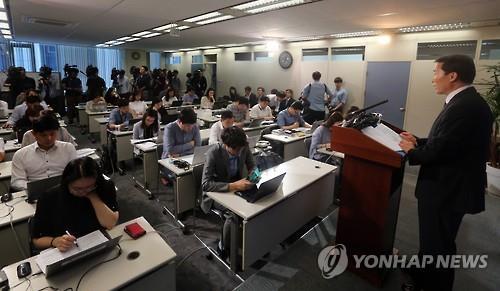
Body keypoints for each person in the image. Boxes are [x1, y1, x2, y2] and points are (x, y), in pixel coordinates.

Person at [398, 55, 493, 291]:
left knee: (438, 245)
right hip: (449, 186)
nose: (433, 79)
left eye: (435, 73)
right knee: (433, 240)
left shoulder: (464, 106)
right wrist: (419, 141)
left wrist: (412, 151)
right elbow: (450, 141)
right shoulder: (465, 101)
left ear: (452, 76)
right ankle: (421, 272)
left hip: (447, 189)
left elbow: (441, 151)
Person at [31, 157, 119, 252]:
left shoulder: (105, 187)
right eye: (77, 189)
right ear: (67, 183)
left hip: (98, 245)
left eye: (89, 186)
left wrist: (93, 196)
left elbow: (110, 223)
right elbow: (36, 240)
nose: (84, 192)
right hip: (67, 250)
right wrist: (54, 241)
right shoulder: (49, 198)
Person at [201, 126, 255, 259]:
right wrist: (233, 185)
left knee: (258, 205)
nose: (238, 152)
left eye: (240, 149)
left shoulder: (243, 147)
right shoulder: (213, 153)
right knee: (234, 215)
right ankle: (224, 247)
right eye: (235, 149)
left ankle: (251, 243)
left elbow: (252, 166)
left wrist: (253, 176)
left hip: (237, 188)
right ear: (225, 145)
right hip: (217, 194)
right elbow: (205, 185)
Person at [11, 114, 77, 191]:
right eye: (43, 135)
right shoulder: (20, 154)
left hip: (64, 190)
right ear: (34, 134)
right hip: (35, 192)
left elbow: (75, 173)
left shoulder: (68, 148)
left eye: (52, 134)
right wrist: (34, 187)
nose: (49, 138)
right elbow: (17, 181)